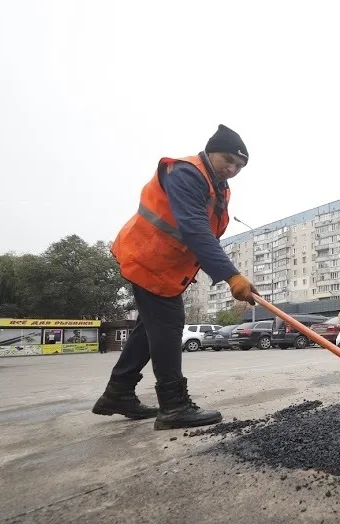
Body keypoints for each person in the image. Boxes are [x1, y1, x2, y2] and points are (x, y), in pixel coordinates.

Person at [92, 124, 255, 430]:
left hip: (164, 266)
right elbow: (194, 228)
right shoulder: (186, 173)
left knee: (149, 328)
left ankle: (118, 392)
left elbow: (206, 233)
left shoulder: (218, 186)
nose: (232, 169)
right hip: (148, 259)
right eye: (228, 160)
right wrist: (231, 275)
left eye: (239, 166)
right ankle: (174, 406)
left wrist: (228, 272)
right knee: (167, 324)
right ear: (210, 152)